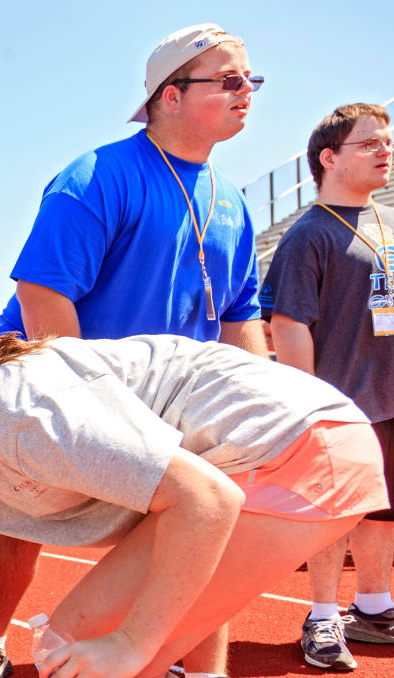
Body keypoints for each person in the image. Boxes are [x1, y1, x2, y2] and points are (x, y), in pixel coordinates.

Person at [0, 313, 389, 678]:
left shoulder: (18, 416)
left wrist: (133, 644)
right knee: (94, 643)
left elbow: (206, 500)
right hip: (249, 457)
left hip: (297, 446)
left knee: (93, 644)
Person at [0, 23, 267, 678]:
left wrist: (255, 412)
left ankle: (197, 667)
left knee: (206, 521)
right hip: (53, 379)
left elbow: (240, 319)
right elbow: (44, 297)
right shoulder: (97, 177)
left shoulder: (232, 203)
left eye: (251, 80)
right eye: (229, 79)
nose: (248, 92)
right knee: (18, 516)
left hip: (161, 395)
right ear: (170, 96)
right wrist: (90, 417)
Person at [261, 102, 394, 671]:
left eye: (387, 142)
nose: (385, 151)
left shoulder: (383, 222)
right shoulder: (308, 234)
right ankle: (320, 616)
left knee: (381, 510)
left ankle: (373, 606)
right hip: (338, 403)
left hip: (387, 398)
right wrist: (312, 408)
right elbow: (288, 324)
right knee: (330, 514)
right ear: (329, 158)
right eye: (370, 143)